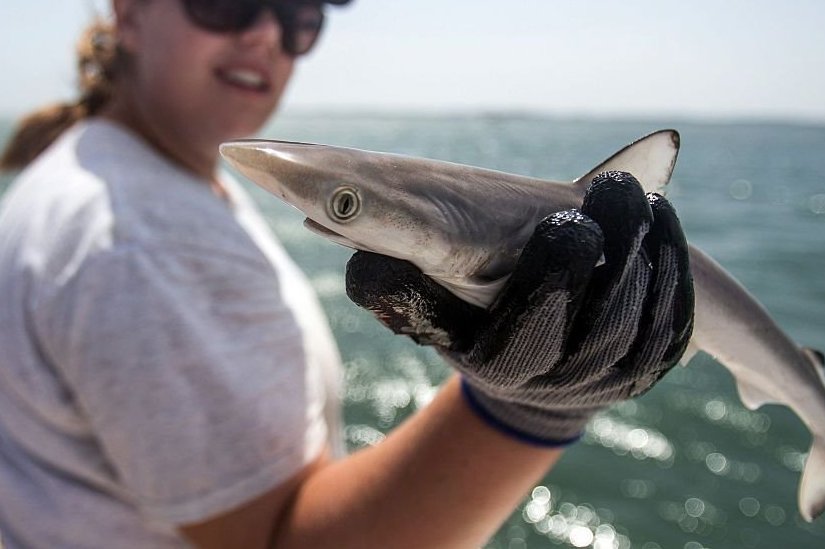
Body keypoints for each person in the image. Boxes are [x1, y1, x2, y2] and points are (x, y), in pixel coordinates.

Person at [0, 0, 694, 547]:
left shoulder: (117, 172)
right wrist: (532, 405)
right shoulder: (141, 243)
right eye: (226, 2)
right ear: (128, 12)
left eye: (299, 18)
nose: (266, 35)